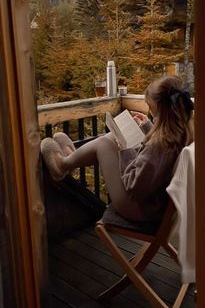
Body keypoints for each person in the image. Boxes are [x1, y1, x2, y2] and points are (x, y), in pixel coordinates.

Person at [41, 76, 194, 223]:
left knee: (104, 143)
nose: (149, 111)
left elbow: (134, 185)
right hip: (157, 204)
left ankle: (62, 165)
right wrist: (148, 127)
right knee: (110, 138)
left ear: (160, 110)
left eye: (150, 107)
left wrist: (125, 152)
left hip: (139, 208)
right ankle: (72, 159)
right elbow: (157, 163)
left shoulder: (159, 145)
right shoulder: (182, 133)